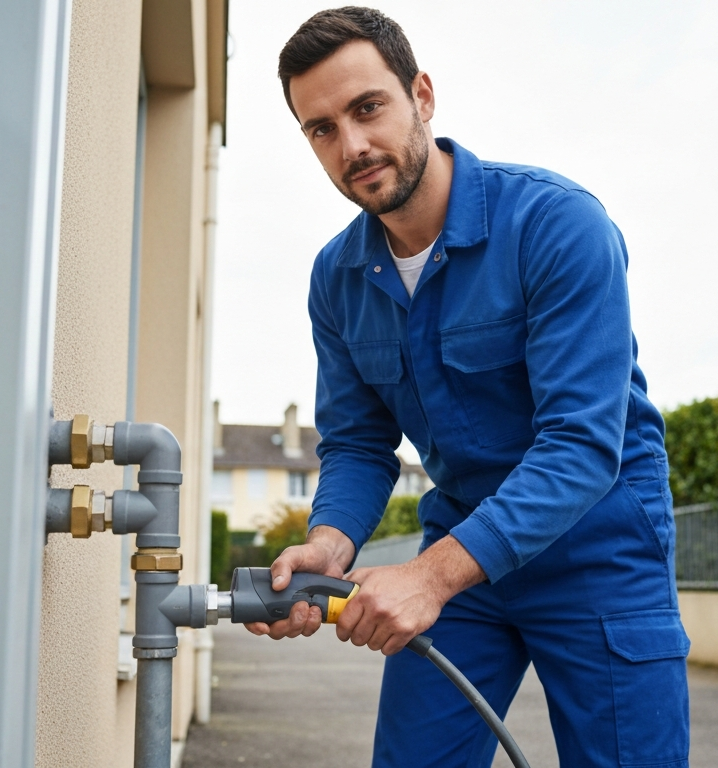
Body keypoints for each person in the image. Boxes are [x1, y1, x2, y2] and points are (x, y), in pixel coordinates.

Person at [244, 7, 689, 767]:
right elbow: (357, 442)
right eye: (321, 129)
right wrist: (329, 541)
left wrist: (428, 575)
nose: (351, 146)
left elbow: (582, 446)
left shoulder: (557, 225)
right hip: (460, 556)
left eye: (367, 108)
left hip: (599, 548)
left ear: (421, 94)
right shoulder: (336, 277)